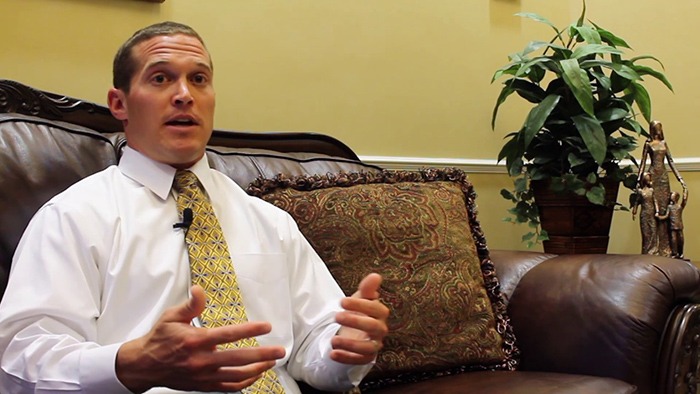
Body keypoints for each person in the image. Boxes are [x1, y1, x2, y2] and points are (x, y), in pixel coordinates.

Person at [0, 21, 389, 393]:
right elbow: (20, 360)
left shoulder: (269, 221)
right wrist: (132, 363)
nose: (184, 94)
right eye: (161, 78)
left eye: (199, 79)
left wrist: (345, 350)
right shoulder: (72, 217)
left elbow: (317, 346)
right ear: (119, 103)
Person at [636, 120, 687, 257]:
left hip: (663, 178)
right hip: (653, 177)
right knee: (652, 212)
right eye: (656, 127)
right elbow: (642, 163)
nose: (658, 129)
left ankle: (666, 249)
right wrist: (639, 178)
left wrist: (680, 178)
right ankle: (653, 248)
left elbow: (670, 161)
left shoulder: (664, 144)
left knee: (664, 211)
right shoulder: (648, 144)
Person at [632, 172, 659, 255]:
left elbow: (655, 201)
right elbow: (636, 202)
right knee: (645, 233)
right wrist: (634, 211)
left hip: (652, 212)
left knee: (653, 231)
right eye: (647, 179)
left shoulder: (651, 190)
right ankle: (646, 251)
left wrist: (657, 211)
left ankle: (654, 250)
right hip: (644, 213)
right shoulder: (640, 191)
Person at [656, 189, 689, 259]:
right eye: (671, 196)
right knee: (673, 240)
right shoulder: (669, 207)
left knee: (681, 239)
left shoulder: (679, 206)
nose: (671, 197)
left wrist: (684, 188)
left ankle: (681, 253)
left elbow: (685, 199)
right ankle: (675, 253)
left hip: (679, 225)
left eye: (672, 196)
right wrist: (659, 217)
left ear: (676, 198)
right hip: (672, 226)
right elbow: (666, 216)